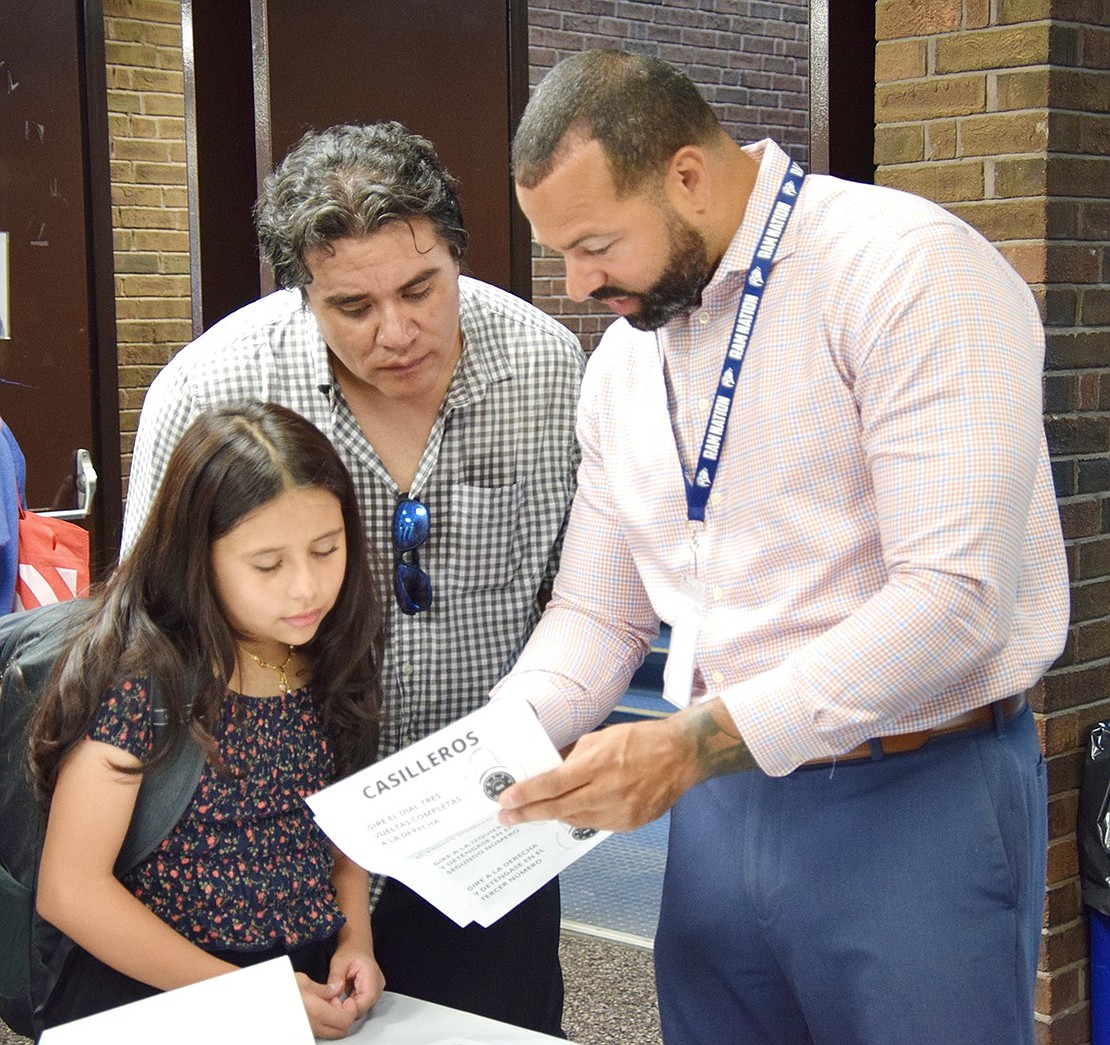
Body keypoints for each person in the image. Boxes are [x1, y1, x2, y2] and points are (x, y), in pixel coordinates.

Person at [492, 49, 1071, 1045]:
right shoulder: (626, 362)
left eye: (594, 244)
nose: (577, 283)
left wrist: (692, 743)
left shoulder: (908, 269)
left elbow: (955, 598)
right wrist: (493, 750)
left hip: (914, 791)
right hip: (717, 808)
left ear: (687, 174)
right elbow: (600, 611)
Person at [121, 122, 584, 1036]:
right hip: (265, 843)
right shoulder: (212, 386)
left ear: (458, 252)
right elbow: (145, 634)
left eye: (422, 289)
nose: (397, 331)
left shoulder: (547, 369)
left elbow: (581, 599)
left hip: (484, 822)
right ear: (302, 291)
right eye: (352, 307)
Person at [31, 402, 385, 1039]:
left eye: (326, 550)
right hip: (158, 992)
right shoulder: (143, 677)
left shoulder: (331, 651)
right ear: (197, 557)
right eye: (268, 565)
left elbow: (341, 826)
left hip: (303, 981)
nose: (306, 588)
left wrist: (355, 939)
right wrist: (250, 995)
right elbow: (70, 890)